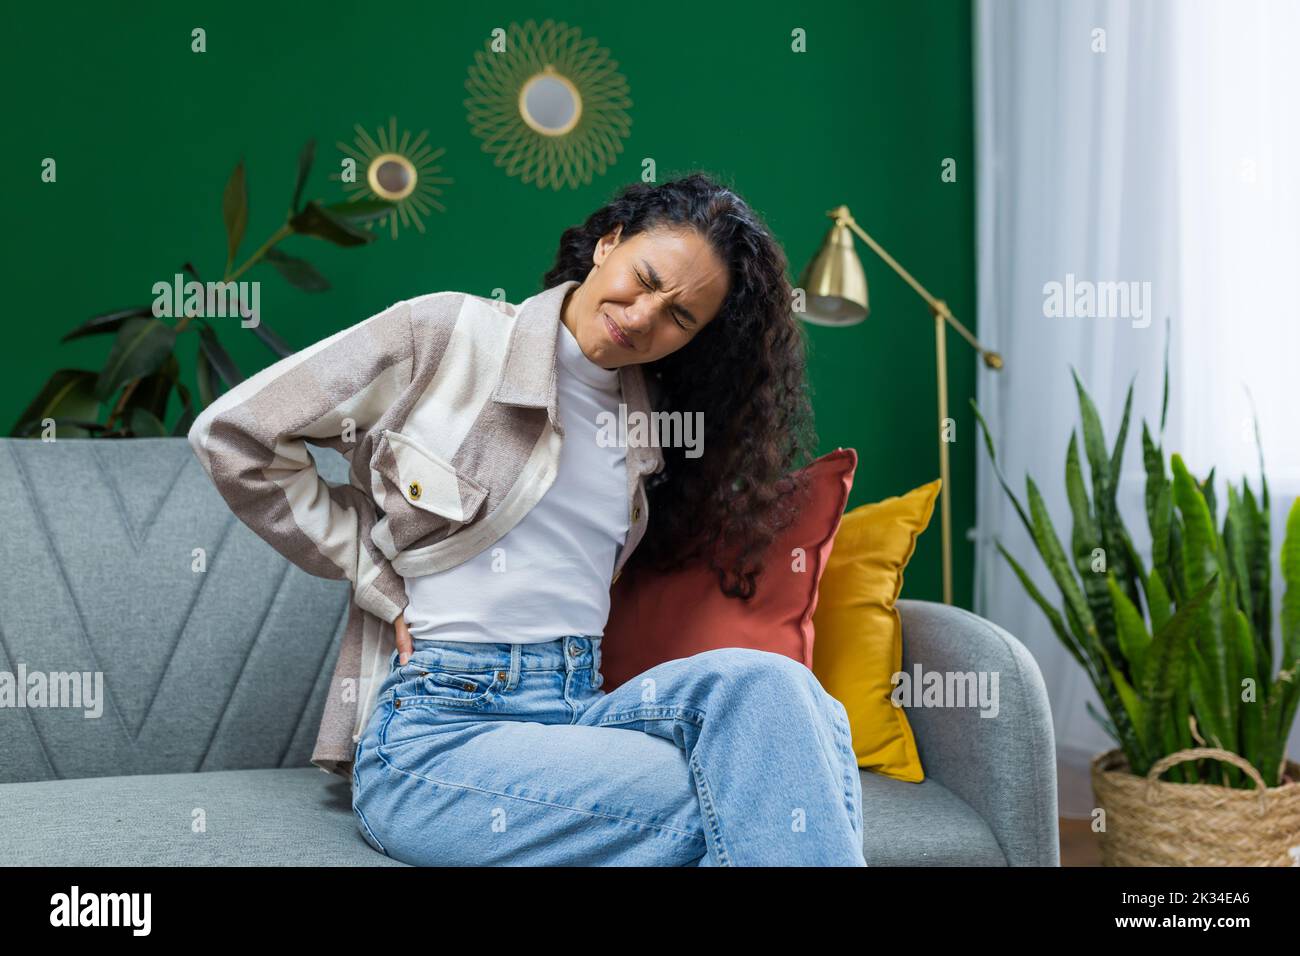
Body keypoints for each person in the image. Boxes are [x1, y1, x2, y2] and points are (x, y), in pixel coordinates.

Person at [191, 172, 865, 866]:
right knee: (770, 796)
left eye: (679, 317)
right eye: (644, 277)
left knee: (785, 698)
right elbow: (233, 434)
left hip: (579, 711)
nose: (641, 317)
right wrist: (376, 578)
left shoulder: (651, 419)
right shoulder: (445, 335)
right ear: (608, 244)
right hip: (440, 732)